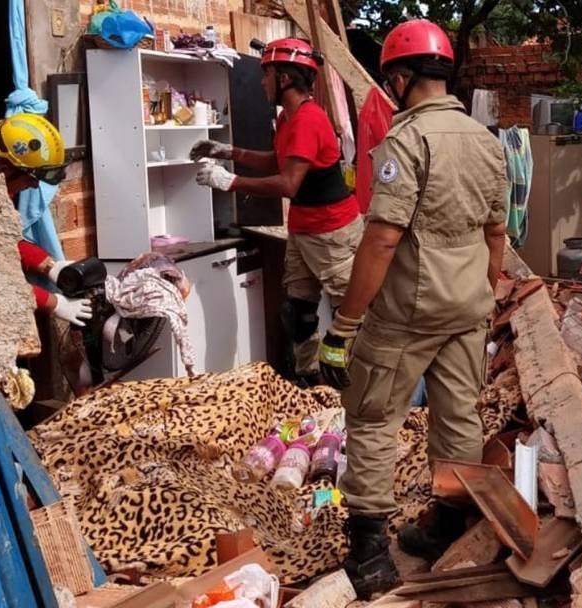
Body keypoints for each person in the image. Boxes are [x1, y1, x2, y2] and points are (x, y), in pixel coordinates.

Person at [317, 19, 508, 599]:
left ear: (399, 77)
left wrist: (343, 328)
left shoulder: (406, 142)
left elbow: (380, 240)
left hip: (407, 312)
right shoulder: (487, 141)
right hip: (467, 306)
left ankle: (372, 553)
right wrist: (483, 294)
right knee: (458, 419)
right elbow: (497, 234)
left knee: (373, 417)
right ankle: (448, 525)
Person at [191, 37, 361, 387]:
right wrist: (229, 151)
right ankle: (309, 384)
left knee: (354, 318)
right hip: (303, 230)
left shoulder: (308, 120)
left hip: (333, 234)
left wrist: (230, 182)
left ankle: (359, 392)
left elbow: (288, 184)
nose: (262, 82)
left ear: (284, 78)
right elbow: (279, 159)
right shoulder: (288, 119)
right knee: (298, 313)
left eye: (267, 75)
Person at [0, 113, 92, 327]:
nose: (35, 186)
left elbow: (5, 241)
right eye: (32, 178)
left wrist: (51, 266)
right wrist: (54, 302)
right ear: (4, 170)